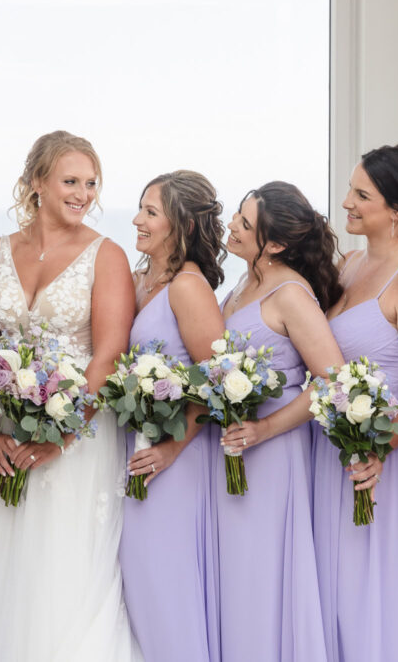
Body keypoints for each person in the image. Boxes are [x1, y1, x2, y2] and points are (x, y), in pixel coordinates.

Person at [0, 130, 140, 660]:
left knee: (63, 571)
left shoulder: (107, 255)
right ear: (35, 185)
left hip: (77, 439)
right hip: (3, 432)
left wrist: (61, 435)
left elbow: (108, 357)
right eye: (70, 180)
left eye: (91, 183)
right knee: (3, 575)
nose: (83, 193)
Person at [314, 143, 398, 661]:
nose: (346, 201)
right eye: (350, 188)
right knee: (337, 591)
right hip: (335, 456)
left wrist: (381, 448)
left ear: (397, 212)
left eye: (361, 194)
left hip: (386, 463)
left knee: (375, 596)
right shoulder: (350, 263)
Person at [217, 182, 343, 661]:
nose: (233, 225)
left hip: (273, 454)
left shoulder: (290, 292)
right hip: (236, 447)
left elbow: (331, 381)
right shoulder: (244, 282)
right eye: (237, 214)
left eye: (246, 224)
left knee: (265, 574)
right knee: (241, 576)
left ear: (276, 243)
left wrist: (264, 429)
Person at [119, 170, 225, 662]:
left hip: (173, 460)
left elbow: (216, 380)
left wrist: (169, 447)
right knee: (135, 583)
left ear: (180, 225)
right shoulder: (139, 280)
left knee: (164, 581)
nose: (137, 220)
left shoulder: (188, 287)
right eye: (141, 208)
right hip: (134, 449)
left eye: (150, 212)